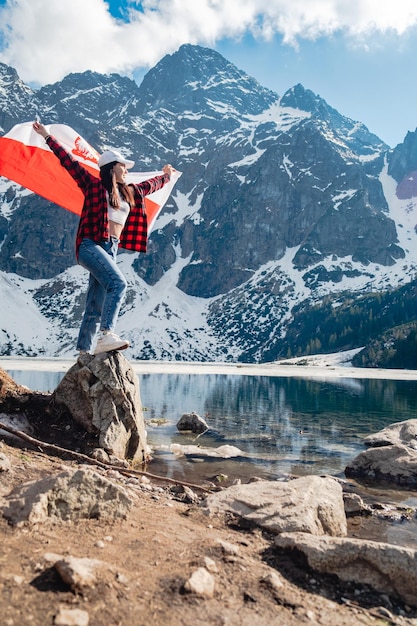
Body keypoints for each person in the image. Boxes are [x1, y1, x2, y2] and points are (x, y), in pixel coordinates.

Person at [32, 121, 175, 355]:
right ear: (112, 168)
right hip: (90, 244)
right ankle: (107, 335)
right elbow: (68, 161)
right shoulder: (93, 185)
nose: (127, 170)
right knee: (118, 284)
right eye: (123, 166)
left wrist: (166, 176)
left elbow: (151, 185)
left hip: (111, 248)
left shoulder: (131, 192)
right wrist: (47, 135)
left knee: (94, 304)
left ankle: (84, 353)